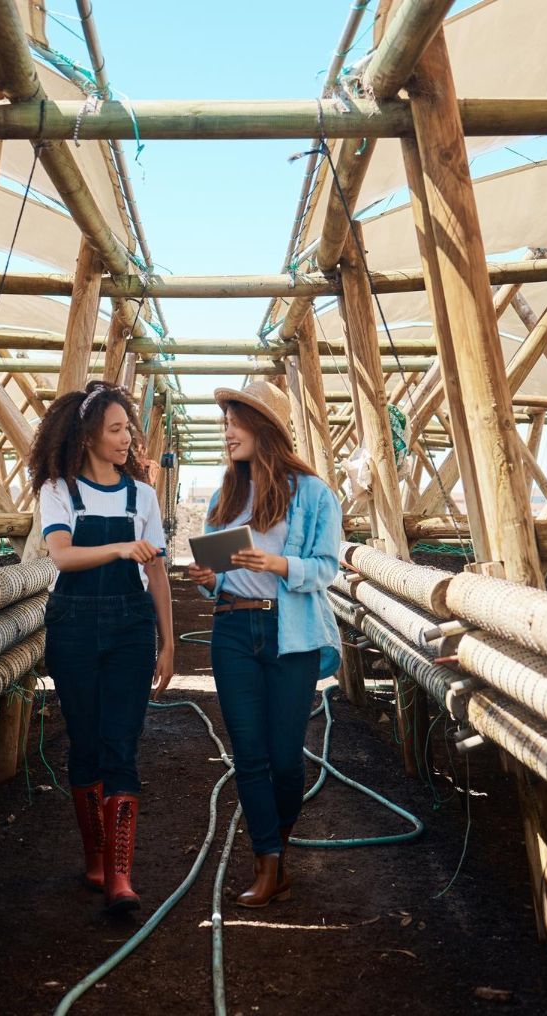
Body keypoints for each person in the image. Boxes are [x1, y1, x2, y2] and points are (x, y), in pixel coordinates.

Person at [184, 379, 342, 907]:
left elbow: (326, 568)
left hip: (289, 631)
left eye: (235, 422)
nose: (226, 432)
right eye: (224, 423)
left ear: (264, 428)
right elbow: (219, 574)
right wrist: (209, 578)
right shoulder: (225, 495)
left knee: (285, 758)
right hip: (232, 629)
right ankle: (268, 861)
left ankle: (279, 841)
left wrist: (278, 564)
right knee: (249, 756)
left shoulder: (314, 494)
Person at [31, 380, 175, 913]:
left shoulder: (143, 496)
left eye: (127, 429)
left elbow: (156, 571)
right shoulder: (58, 490)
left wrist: (169, 642)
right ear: (88, 435)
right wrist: (119, 547)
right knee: (85, 742)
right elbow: (62, 556)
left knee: (121, 742)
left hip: (130, 627)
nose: (125, 439)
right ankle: (94, 859)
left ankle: (119, 875)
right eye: (114, 430)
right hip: (72, 625)